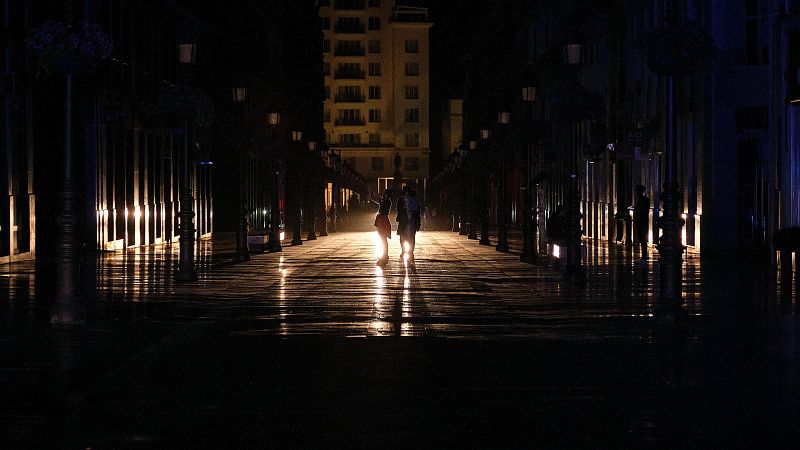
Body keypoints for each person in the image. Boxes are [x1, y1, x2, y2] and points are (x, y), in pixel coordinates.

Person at [371, 189, 392, 266]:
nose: (382, 194)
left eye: (384, 193)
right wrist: (374, 195)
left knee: (383, 238)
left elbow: (379, 201)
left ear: (386, 194)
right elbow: (376, 199)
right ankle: (384, 254)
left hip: (383, 219)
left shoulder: (387, 201)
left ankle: (385, 254)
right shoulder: (384, 200)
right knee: (382, 238)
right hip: (382, 219)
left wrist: (376, 195)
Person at [403, 188, 421, 265]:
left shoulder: (410, 201)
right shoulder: (414, 202)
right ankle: (410, 252)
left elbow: (416, 213)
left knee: (408, 238)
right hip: (411, 222)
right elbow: (417, 214)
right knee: (410, 238)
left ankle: (409, 252)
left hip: (410, 222)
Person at [633, 184, 650, 263]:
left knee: (642, 239)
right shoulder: (645, 200)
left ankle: (644, 256)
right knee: (643, 239)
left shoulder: (641, 200)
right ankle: (644, 255)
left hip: (641, 222)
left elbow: (639, 211)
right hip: (644, 221)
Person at [395, 186, 409, 259]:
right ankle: (404, 250)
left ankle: (405, 250)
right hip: (405, 220)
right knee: (403, 236)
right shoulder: (401, 199)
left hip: (405, 220)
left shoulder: (408, 199)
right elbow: (398, 208)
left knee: (405, 237)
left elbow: (397, 208)